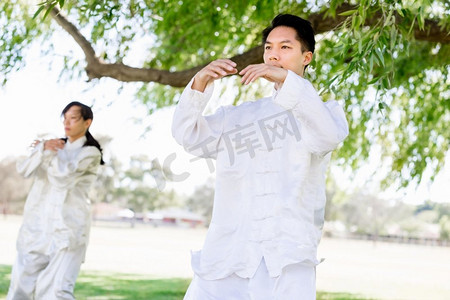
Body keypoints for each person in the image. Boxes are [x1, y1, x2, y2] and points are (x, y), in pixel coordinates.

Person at [172, 13, 349, 299]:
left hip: (287, 260)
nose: (273, 55)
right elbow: (188, 136)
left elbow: (326, 137)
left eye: (285, 47)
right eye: (268, 47)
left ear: (307, 57)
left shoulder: (323, 113)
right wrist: (200, 82)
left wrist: (288, 83)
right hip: (229, 253)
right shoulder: (241, 116)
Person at [7, 101, 104, 300]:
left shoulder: (90, 153)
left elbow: (63, 178)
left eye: (73, 118)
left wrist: (48, 153)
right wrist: (42, 148)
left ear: (87, 122)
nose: (66, 123)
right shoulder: (50, 146)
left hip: (67, 231)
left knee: (57, 292)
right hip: (37, 228)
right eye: (64, 118)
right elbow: (24, 169)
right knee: (19, 288)